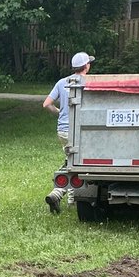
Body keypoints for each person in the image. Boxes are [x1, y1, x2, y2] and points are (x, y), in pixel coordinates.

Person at [43, 51, 94, 212]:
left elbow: (46, 104)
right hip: (80, 130)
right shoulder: (88, 82)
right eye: (89, 63)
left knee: (71, 162)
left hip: (63, 130)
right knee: (74, 165)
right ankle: (59, 194)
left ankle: (68, 199)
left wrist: (60, 112)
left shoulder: (61, 82)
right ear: (86, 66)